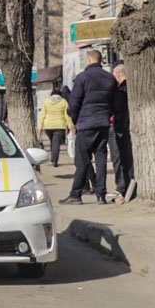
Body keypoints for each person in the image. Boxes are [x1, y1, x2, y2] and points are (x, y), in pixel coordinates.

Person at [61, 49, 116, 205]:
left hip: (85, 124)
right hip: (103, 124)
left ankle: (76, 194)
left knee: (82, 160)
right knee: (101, 160)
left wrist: (76, 119)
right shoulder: (110, 78)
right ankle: (101, 195)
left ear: (90, 59)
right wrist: (105, 115)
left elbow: (74, 102)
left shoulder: (82, 77)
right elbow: (113, 103)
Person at [110, 64, 134, 203]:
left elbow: (119, 112)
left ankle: (124, 189)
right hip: (131, 128)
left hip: (124, 130)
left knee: (123, 160)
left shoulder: (121, 91)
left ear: (118, 75)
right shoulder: (134, 87)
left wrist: (118, 130)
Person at [37, 84, 72, 167]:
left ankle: (53, 157)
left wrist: (40, 127)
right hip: (60, 125)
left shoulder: (46, 101)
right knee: (56, 143)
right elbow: (67, 115)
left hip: (48, 126)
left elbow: (42, 115)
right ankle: (54, 159)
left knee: (52, 141)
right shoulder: (64, 102)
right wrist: (70, 126)